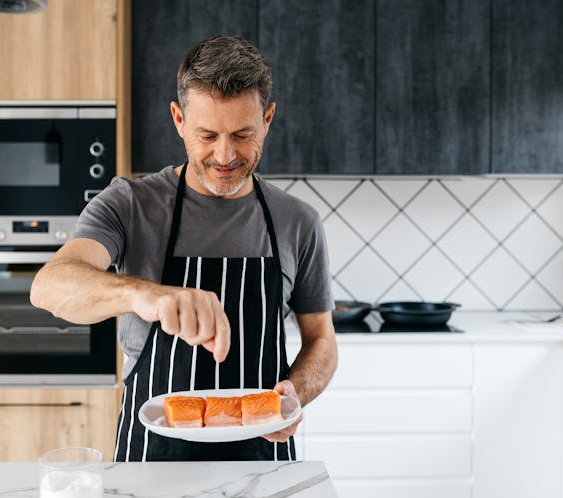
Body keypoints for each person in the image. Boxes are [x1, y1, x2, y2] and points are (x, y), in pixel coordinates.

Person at [30, 33, 337, 462]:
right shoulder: (130, 204)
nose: (225, 155)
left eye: (243, 134)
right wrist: (143, 294)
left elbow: (321, 339)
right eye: (207, 134)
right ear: (178, 119)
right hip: (151, 461)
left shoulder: (298, 221)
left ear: (268, 118)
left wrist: (295, 393)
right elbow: (49, 287)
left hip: (262, 459)